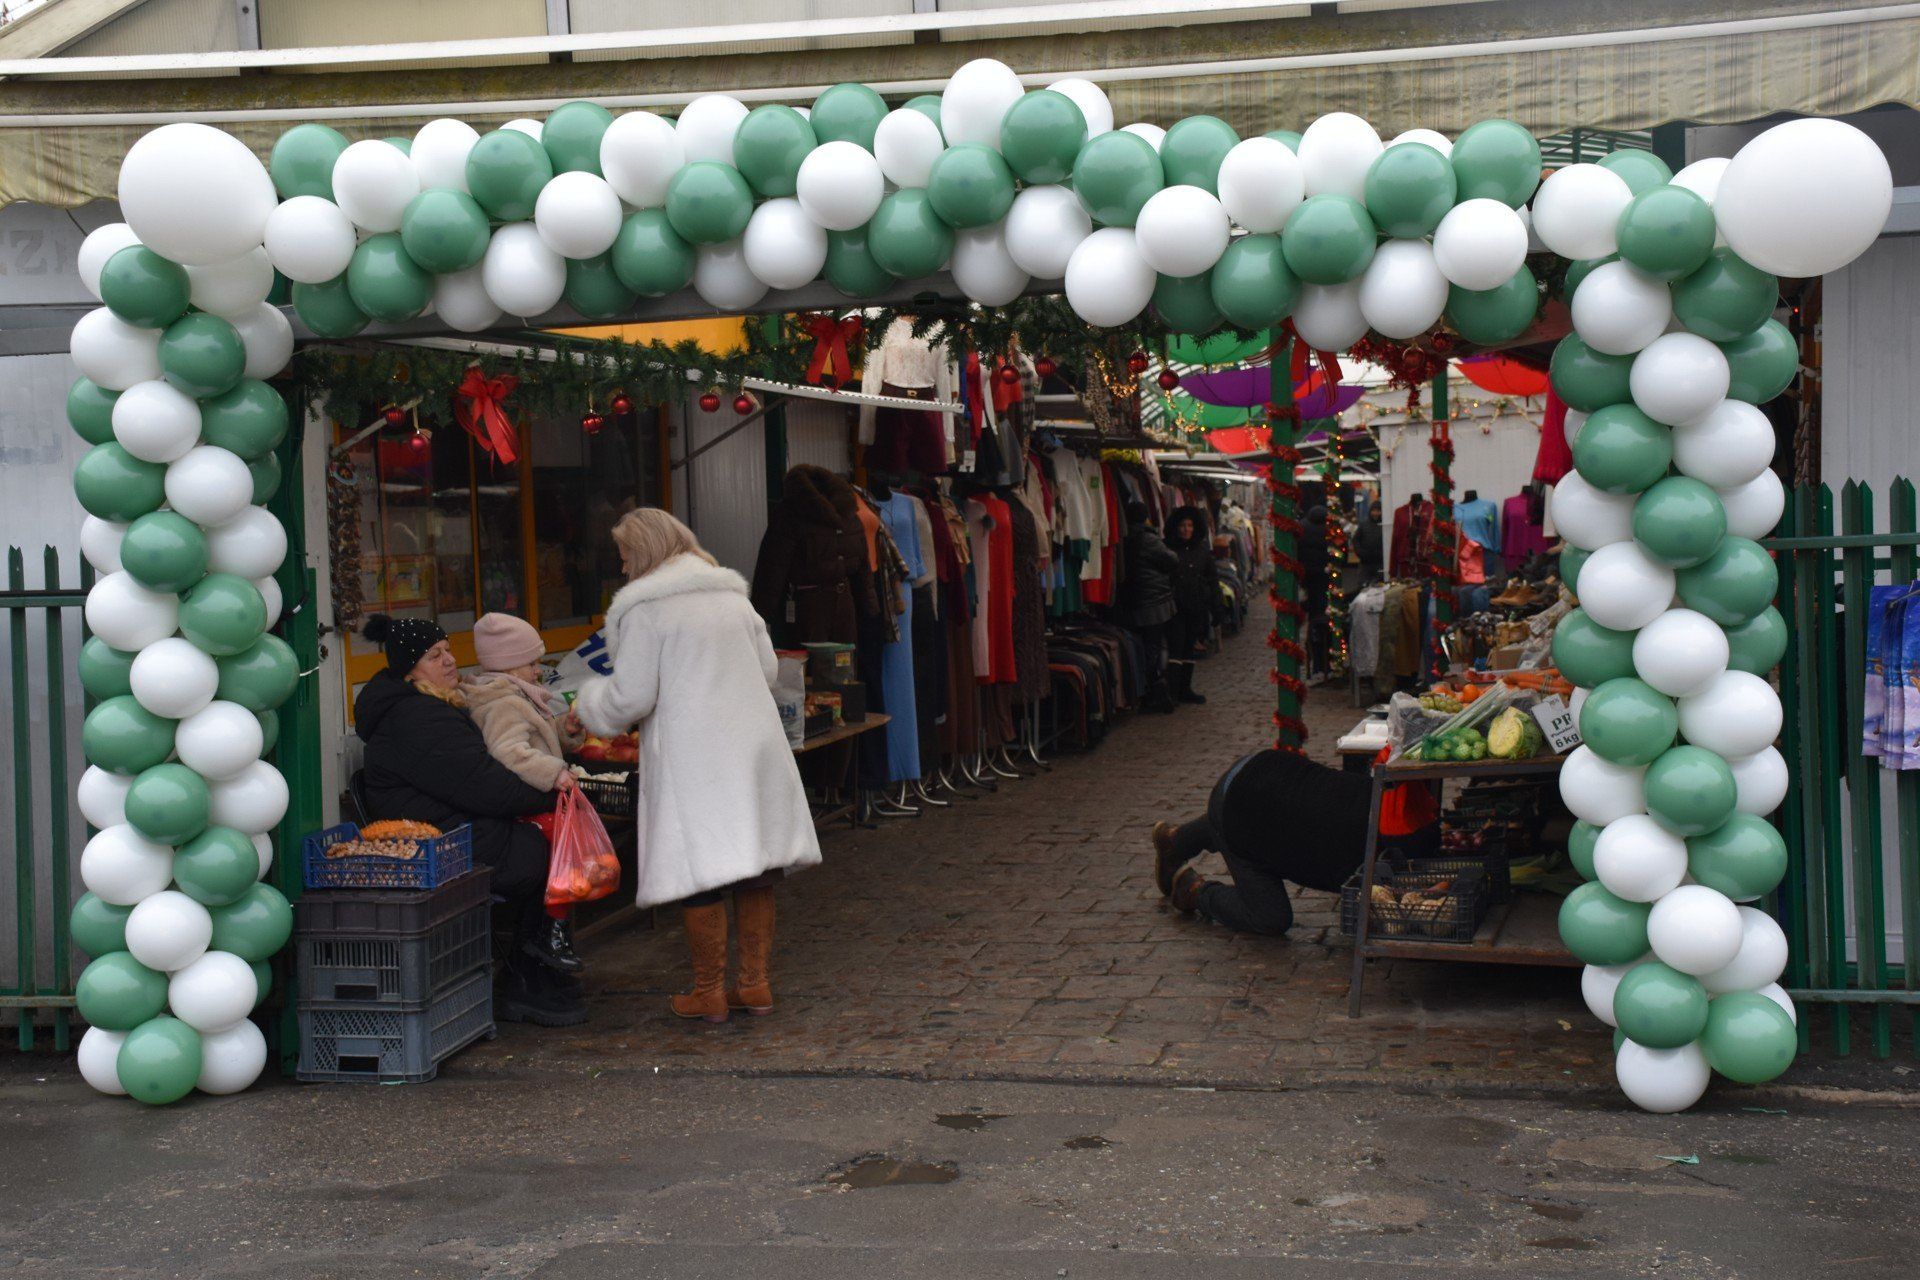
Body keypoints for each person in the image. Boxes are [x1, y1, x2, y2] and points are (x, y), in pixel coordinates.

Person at [576, 509, 822, 1023]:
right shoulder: (732, 598)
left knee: (701, 867)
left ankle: (708, 992)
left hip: (695, 753)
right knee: (755, 867)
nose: (623, 571)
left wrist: (585, 703)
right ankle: (754, 985)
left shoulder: (646, 612)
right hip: (750, 747)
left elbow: (631, 697)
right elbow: (769, 670)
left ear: (643, 554)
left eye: (625, 559)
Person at [354, 615, 585, 1027]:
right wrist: (553, 794)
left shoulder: (428, 706)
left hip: (451, 826)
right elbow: (485, 786)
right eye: (433, 656)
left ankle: (538, 968)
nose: (448, 662)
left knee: (546, 840)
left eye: (447, 651)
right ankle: (526, 981)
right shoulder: (418, 718)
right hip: (439, 843)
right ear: (410, 668)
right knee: (543, 851)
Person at [1148, 749, 1439, 935]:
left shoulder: (1382, 802)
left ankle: (1177, 840)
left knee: (1259, 812)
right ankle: (1193, 891)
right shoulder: (1359, 861)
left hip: (1260, 769)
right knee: (1270, 917)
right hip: (1243, 805)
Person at [462, 611, 590, 974]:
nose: (538, 670)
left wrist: (566, 730)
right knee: (561, 856)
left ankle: (554, 928)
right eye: (532, 662)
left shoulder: (518, 695)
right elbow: (510, 751)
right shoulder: (503, 702)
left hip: (530, 798)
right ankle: (551, 931)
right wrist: (555, 773)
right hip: (524, 806)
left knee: (564, 857)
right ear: (509, 666)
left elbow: (537, 740)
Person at [1118, 499, 1179, 713]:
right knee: (1155, 647)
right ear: (1145, 516)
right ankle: (1155, 690)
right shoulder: (1148, 539)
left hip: (1132, 600)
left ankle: (1145, 689)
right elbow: (1171, 559)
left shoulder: (1124, 537)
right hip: (1153, 602)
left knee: (1141, 646)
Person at [1164, 505, 1215, 705]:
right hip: (1175, 608)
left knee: (1188, 649)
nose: (1186, 529)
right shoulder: (1167, 548)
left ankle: (1185, 689)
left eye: (1190, 525)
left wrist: (1215, 607)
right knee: (1175, 648)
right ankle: (1173, 692)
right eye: (1183, 525)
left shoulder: (1202, 552)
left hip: (1195, 607)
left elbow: (1212, 579)